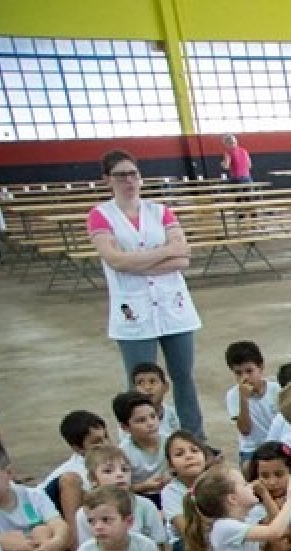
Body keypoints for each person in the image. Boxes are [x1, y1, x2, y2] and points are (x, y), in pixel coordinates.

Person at [86, 150, 204, 441]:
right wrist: (163, 253)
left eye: (133, 174)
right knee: (139, 385)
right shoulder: (100, 216)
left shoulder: (159, 211)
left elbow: (183, 257)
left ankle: (194, 438)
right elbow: (115, 260)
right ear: (107, 180)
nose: (128, 181)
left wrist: (137, 260)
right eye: (120, 175)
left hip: (172, 306)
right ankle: (140, 440)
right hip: (133, 310)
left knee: (183, 378)